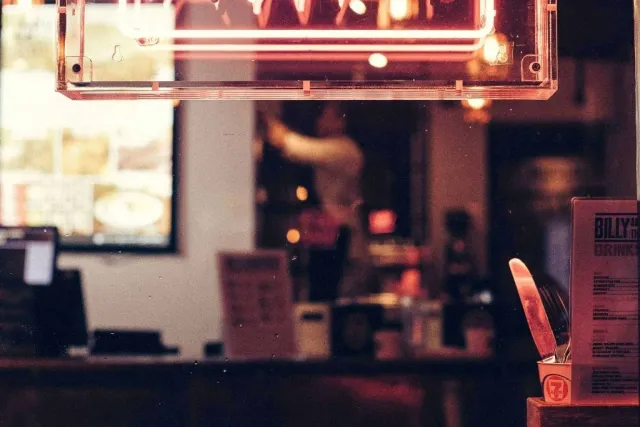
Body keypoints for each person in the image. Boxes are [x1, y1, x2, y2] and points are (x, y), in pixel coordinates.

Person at [263, 102, 369, 300]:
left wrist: (267, 115)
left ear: (341, 120)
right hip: (329, 232)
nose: (319, 121)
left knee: (327, 298)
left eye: (325, 116)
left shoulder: (344, 149)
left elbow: (301, 147)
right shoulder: (342, 149)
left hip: (338, 233)